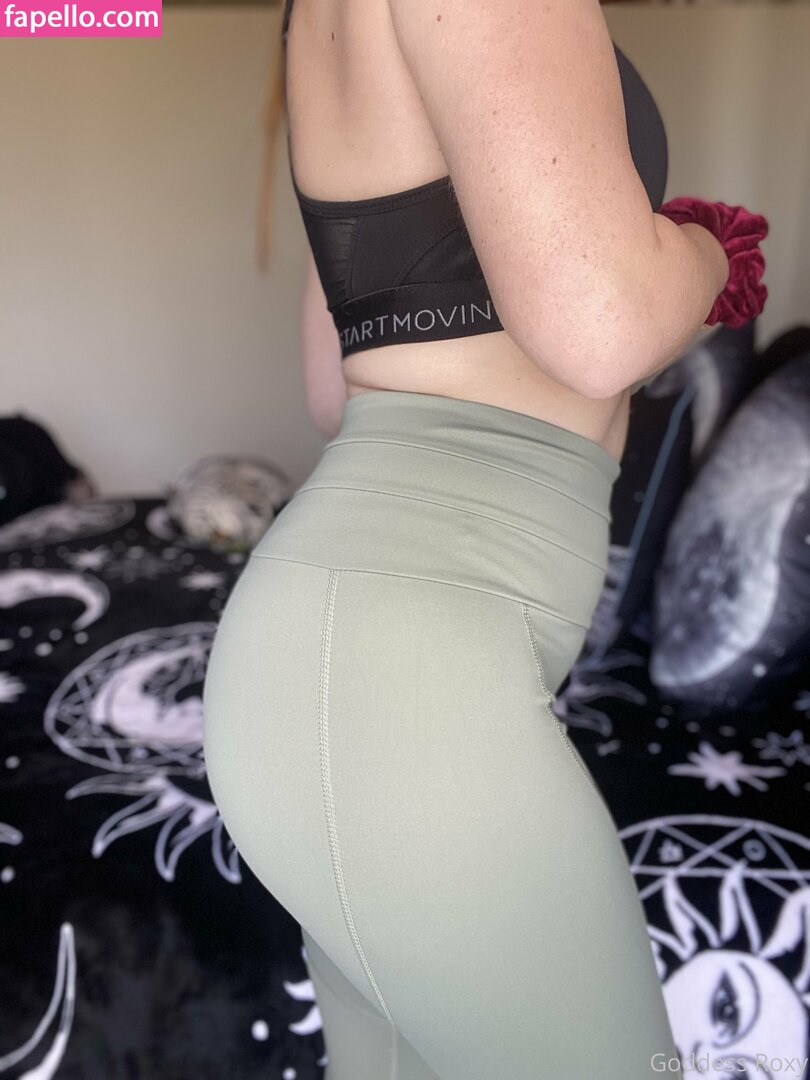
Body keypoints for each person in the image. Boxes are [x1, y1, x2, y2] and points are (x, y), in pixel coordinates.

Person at [202, 1, 732, 1076]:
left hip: (325, 661)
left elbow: (334, 386)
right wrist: (708, 251)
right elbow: (605, 325)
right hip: (397, 696)